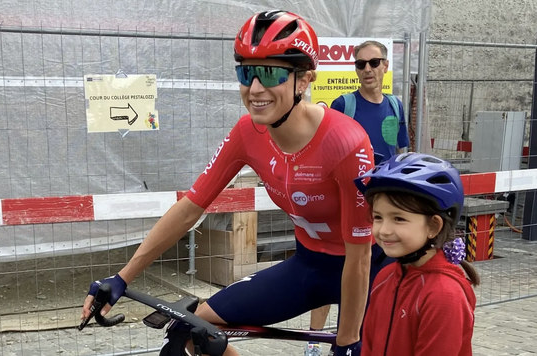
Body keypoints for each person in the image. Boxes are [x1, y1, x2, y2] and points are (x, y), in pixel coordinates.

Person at [81, 10, 394, 356]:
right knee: (192, 331)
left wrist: (348, 339)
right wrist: (122, 277)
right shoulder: (247, 132)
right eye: (247, 72)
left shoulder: (345, 141)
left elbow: (360, 254)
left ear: (303, 80)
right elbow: (188, 210)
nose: (255, 88)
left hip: (371, 270)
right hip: (308, 265)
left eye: (270, 73)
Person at [307, 40, 410, 354]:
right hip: (346, 208)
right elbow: (323, 155)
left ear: (385, 66)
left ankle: (356, 342)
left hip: (382, 210)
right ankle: (313, 344)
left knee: (369, 280)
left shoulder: (395, 106)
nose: (367, 69)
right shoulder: (343, 105)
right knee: (331, 280)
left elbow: (401, 153)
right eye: (360, 64)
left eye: (374, 62)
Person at [354, 152, 479, 356]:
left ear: (433, 226)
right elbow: (368, 346)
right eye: (378, 217)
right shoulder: (384, 277)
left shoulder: (444, 295)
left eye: (399, 219)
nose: (384, 230)